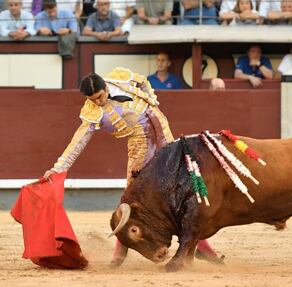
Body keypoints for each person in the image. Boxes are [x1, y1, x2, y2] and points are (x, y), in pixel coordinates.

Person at [42, 67, 221, 266]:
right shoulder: (92, 111)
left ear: (105, 87)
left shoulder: (119, 78)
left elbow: (143, 80)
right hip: (139, 145)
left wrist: (152, 101)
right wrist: (58, 168)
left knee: (179, 192)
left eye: (100, 97)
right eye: (93, 100)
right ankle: (119, 253)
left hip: (162, 129)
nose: (98, 102)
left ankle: (201, 247)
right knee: (132, 198)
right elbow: (78, 142)